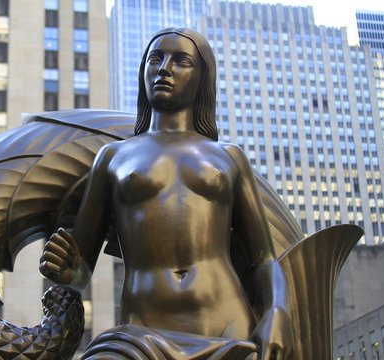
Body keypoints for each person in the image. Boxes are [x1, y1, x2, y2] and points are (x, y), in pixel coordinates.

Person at [40, 27, 293, 359]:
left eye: (181, 61)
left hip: (227, 325)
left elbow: (264, 259)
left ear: (202, 77)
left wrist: (278, 310)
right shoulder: (114, 158)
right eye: (155, 59)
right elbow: (82, 269)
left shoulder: (229, 157)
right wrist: (67, 269)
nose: (163, 68)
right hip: (141, 330)